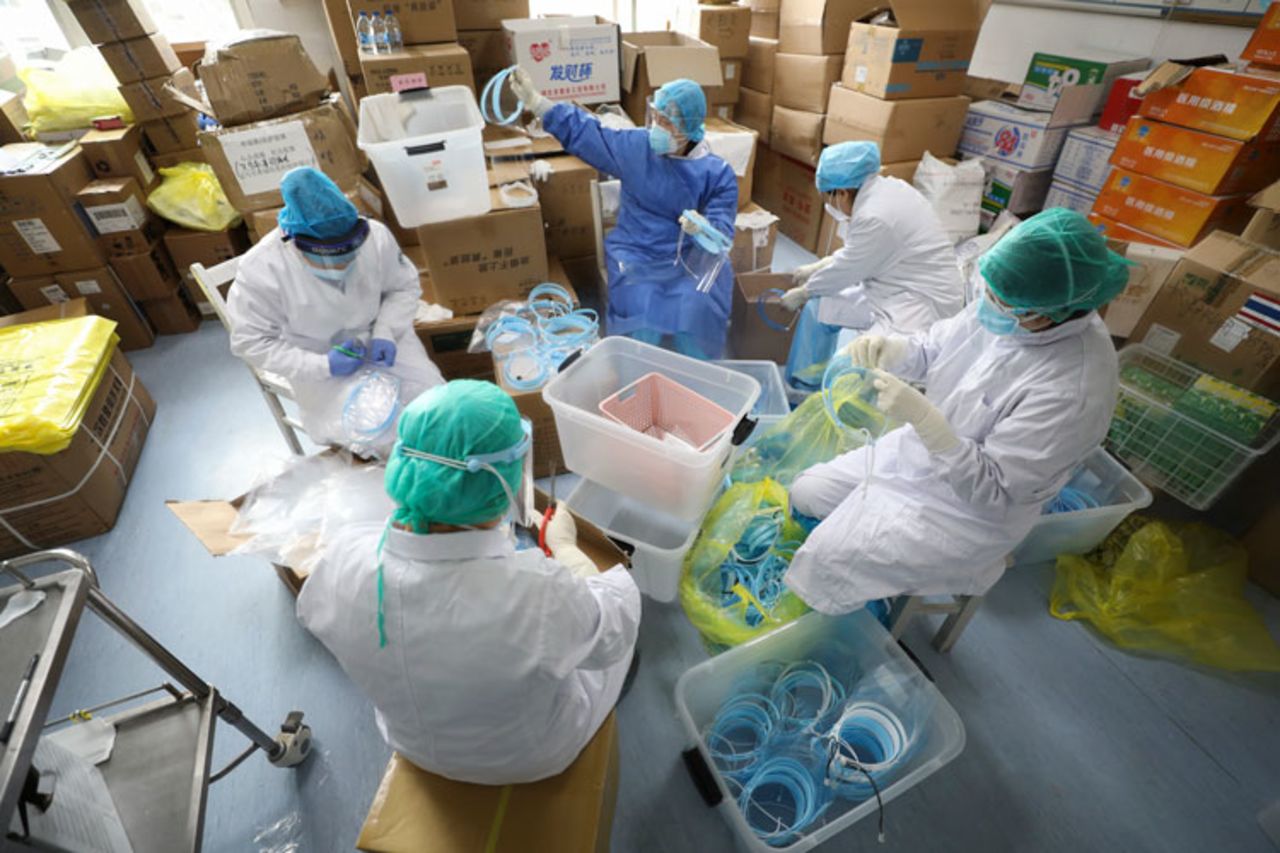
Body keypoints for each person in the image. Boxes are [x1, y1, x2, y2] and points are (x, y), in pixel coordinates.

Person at [783, 209, 1130, 613]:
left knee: (824, 564)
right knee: (806, 491)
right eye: (991, 292)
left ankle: (849, 614)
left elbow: (994, 494)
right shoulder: (1011, 307)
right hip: (916, 456)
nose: (991, 305)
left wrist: (929, 423)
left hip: (964, 516)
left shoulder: (1074, 388)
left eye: (1004, 301)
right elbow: (937, 345)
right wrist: (894, 349)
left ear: (1051, 312)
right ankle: (857, 571)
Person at [297, 380, 640, 784]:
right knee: (620, 620)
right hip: (531, 756)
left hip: (410, 742)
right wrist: (564, 549)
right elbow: (613, 630)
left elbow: (313, 614)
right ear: (502, 478)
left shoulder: (342, 557)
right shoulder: (537, 592)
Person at [509, 68, 738, 359]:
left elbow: (721, 232)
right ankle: (635, 369)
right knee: (641, 302)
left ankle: (698, 373)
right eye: (656, 117)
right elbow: (588, 133)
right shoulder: (637, 147)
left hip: (689, 260)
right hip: (636, 251)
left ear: (688, 125)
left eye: (666, 122)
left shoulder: (717, 173)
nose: (656, 127)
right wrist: (538, 103)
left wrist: (703, 229)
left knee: (697, 304)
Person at [227, 167, 443, 451]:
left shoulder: (376, 237)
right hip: (316, 359)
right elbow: (250, 342)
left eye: (349, 252)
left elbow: (403, 287)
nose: (341, 265)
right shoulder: (262, 269)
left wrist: (386, 330)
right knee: (374, 430)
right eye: (328, 259)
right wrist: (323, 365)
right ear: (294, 240)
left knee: (437, 405)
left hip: (383, 341)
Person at [779, 142, 965, 390]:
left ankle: (846, 416)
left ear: (843, 192)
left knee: (855, 363)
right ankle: (805, 384)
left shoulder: (874, 215)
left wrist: (805, 290)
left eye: (829, 196)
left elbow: (850, 267)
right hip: (887, 285)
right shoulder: (883, 191)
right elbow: (861, 253)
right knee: (819, 308)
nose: (830, 204)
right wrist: (821, 267)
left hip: (918, 304)